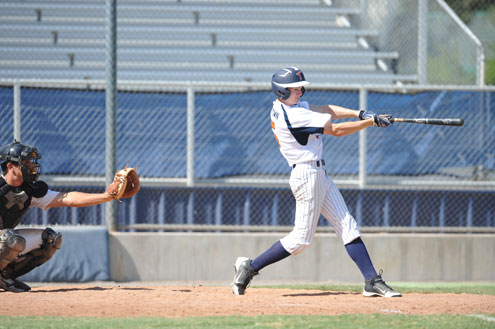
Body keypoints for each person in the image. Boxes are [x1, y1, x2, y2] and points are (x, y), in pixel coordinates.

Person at [231, 67, 401, 298]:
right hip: (306, 176)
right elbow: (337, 130)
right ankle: (250, 267)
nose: (300, 91)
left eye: (301, 87)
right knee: (301, 239)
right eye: (294, 89)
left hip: (319, 174)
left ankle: (372, 280)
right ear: (281, 92)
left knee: (347, 225)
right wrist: (370, 123)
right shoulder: (294, 115)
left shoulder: (286, 106)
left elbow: (326, 110)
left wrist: (360, 113)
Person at [0, 140, 124, 292]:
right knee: (9, 239)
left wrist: (106, 196)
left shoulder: (29, 191)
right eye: (25, 162)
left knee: (50, 240)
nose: (31, 166)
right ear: (10, 166)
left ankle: (4, 276)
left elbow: (69, 198)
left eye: (31, 162)